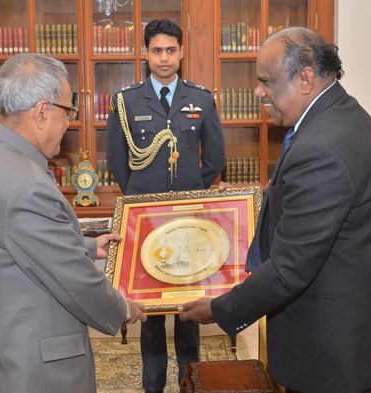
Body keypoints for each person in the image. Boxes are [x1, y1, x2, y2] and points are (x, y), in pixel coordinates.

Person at [179, 27, 371, 393]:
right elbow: (315, 204)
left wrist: (221, 309)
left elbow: (290, 269)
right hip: (358, 339)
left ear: (305, 79)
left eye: (266, 81)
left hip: (338, 355)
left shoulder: (320, 147)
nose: (258, 92)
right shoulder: (341, 116)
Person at [0, 53, 146, 393]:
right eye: (67, 111)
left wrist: (87, 246)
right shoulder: (27, 185)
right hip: (23, 369)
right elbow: (74, 281)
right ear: (42, 112)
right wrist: (121, 307)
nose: (69, 122)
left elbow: (15, 246)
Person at [106, 19, 226, 393]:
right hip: (147, 223)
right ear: (145, 53)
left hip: (191, 221)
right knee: (151, 313)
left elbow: (216, 160)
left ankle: (191, 383)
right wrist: (145, 197)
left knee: (190, 308)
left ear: (181, 52)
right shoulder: (126, 101)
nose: (164, 58)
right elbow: (117, 161)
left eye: (171, 50)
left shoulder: (202, 98)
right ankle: (153, 386)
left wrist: (191, 194)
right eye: (156, 50)